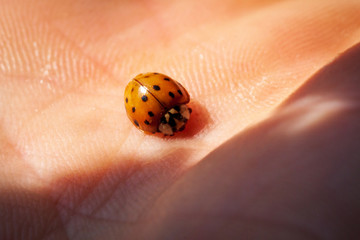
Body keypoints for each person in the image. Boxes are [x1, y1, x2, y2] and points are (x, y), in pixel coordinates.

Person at [1, 0, 359, 239]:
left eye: (177, 121)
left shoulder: (165, 112)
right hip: (144, 89)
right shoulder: (168, 108)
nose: (182, 124)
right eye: (175, 123)